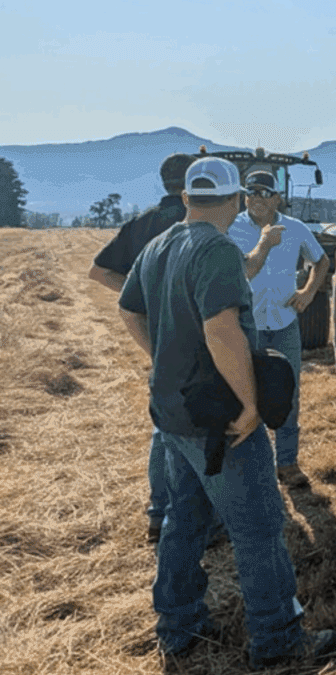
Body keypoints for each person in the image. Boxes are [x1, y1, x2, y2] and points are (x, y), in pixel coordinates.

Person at [117, 156, 336, 667]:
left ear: (188, 198)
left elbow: (128, 309)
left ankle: (177, 625)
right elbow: (222, 330)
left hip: (172, 412)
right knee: (259, 527)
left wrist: (163, 356)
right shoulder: (216, 248)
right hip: (218, 416)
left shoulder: (159, 245)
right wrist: (247, 406)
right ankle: (279, 639)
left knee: (183, 520)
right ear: (237, 199)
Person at [89, 152, 197, 544]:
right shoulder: (199, 223)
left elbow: (98, 270)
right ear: (192, 184)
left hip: (155, 329)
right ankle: (198, 512)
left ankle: (159, 512)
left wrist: (141, 296)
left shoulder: (141, 224)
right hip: (197, 327)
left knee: (164, 421)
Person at [228, 169, 329, 487]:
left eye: (263, 192)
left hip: (285, 325)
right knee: (246, 394)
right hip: (248, 326)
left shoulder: (296, 229)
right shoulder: (230, 228)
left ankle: (287, 463)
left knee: (289, 394)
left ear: (277, 198)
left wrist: (308, 293)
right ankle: (251, 465)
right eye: (251, 191)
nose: (255, 197)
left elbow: (322, 261)